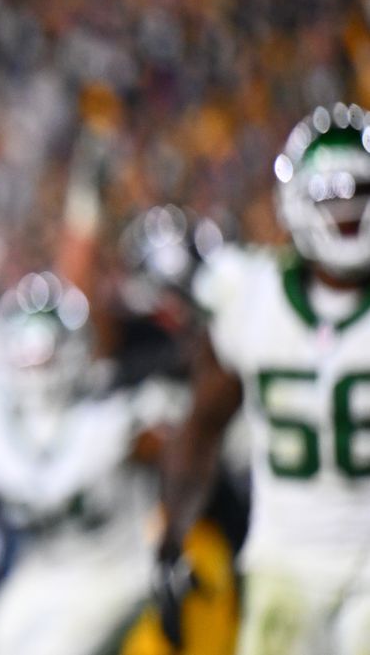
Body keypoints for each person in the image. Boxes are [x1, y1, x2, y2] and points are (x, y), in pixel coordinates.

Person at [156, 103, 370, 654]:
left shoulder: (247, 293)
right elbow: (202, 426)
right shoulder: (253, 298)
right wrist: (171, 539)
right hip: (284, 566)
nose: (348, 211)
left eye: (360, 191)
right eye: (332, 195)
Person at [0, 272, 173, 655]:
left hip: (114, 570)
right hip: (41, 567)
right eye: (28, 352)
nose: (37, 365)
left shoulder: (117, 416)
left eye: (46, 351)